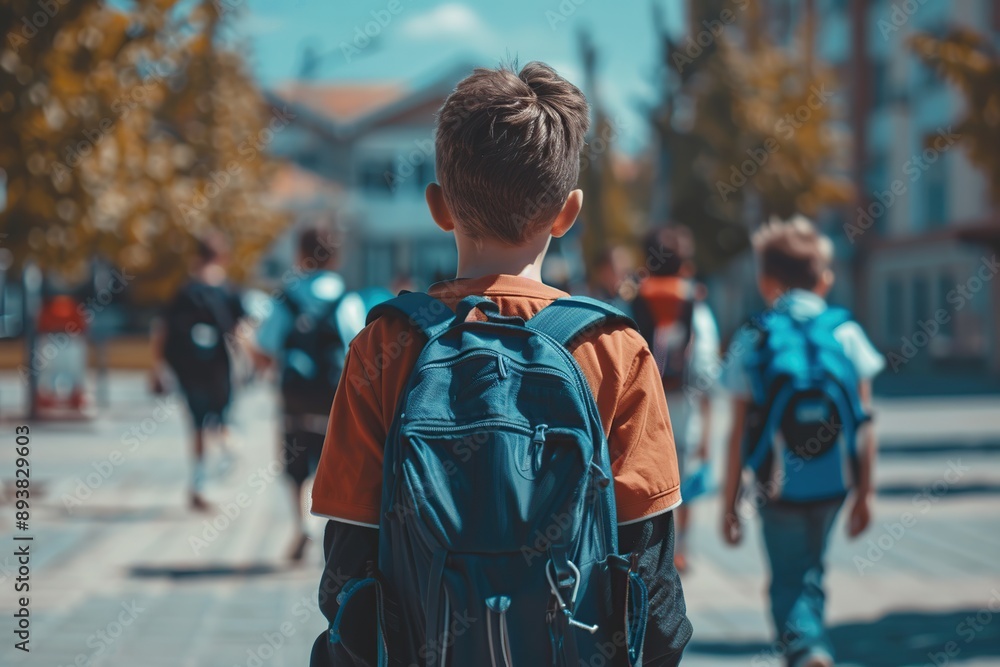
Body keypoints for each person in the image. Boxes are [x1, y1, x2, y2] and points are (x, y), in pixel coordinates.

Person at [309, 62, 692, 665]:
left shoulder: (383, 345)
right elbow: (649, 573)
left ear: (438, 206)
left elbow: (349, 564)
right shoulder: (615, 349)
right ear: (568, 212)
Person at [720, 216, 885, 667]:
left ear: (765, 280)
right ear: (825, 279)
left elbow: (736, 433)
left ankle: (805, 648)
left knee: (787, 578)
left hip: (776, 486)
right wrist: (866, 494)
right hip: (836, 482)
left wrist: (729, 503)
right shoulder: (845, 333)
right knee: (812, 569)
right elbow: (865, 423)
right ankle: (810, 641)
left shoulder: (754, 337)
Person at [254, 226, 366, 562]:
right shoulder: (347, 298)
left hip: (295, 398)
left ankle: (302, 522)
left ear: (299, 254)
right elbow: (359, 349)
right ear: (335, 256)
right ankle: (330, 526)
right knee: (331, 459)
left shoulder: (285, 297)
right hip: (333, 399)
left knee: (297, 462)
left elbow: (265, 347)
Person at [633, 225, 720, 574]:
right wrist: (708, 424)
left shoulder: (633, 297)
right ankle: (679, 549)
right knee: (681, 478)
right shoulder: (694, 303)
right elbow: (706, 368)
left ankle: (643, 546)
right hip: (683, 404)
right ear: (685, 264)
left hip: (641, 403)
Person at [153, 232, 246, 512]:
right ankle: (231, 454)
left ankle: (198, 484)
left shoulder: (185, 291)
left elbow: (163, 331)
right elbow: (238, 332)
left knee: (196, 426)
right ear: (223, 257)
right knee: (222, 422)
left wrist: (157, 367)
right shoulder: (229, 290)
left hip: (188, 370)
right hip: (218, 370)